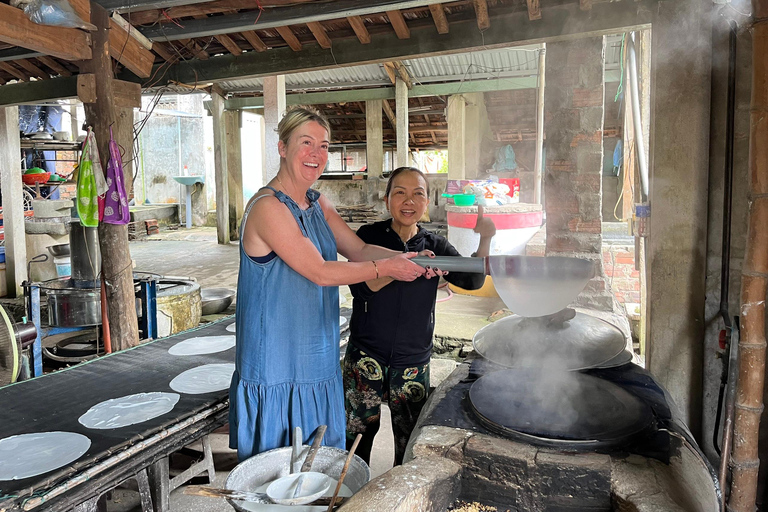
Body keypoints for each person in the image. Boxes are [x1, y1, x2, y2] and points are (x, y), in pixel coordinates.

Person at [229, 108, 438, 462]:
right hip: (278, 358)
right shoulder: (268, 208)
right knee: (277, 471)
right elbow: (321, 271)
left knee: (317, 465)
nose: (316, 155)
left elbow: (356, 248)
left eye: (323, 146)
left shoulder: (316, 202)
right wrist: (387, 267)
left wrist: (408, 258)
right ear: (282, 147)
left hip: (316, 352)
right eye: (305, 143)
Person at [344, 167, 497, 465]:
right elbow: (360, 289)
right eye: (400, 192)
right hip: (366, 355)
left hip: (412, 360)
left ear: (427, 203)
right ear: (387, 199)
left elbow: (472, 281)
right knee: (357, 435)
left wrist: (486, 238)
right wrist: (401, 267)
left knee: (409, 440)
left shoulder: (435, 245)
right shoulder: (368, 237)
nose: (409, 200)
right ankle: (349, 495)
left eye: (418, 193)